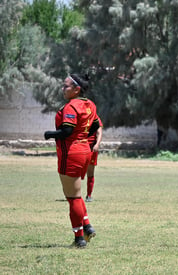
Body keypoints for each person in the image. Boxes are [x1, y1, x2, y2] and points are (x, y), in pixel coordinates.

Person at [44, 73, 100, 248]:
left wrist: (49, 135)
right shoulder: (89, 104)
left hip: (71, 154)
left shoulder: (71, 107)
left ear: (77, 89)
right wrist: (83, 138)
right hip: (84, 152)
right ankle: (87, 226)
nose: (63, 88)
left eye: (66, 86)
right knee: (75, 194)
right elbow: (96, 125)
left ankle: (79, 239)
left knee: (72, 197)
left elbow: (67, 131)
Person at [85, 116, 103, 202]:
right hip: (80, 147)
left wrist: (97, 144)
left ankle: (89, 195)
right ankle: (73, 195)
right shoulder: (79, 117)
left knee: (90, 172)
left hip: (91, 148)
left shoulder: (95, 118)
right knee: (75, 172)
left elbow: (99, 132)